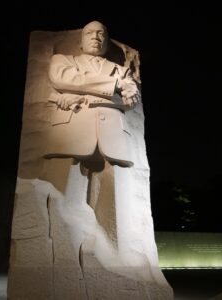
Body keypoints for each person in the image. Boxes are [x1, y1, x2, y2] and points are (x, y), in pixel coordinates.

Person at [44, 20, 141, 242]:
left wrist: (81, 92)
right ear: (80, 41)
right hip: (72, 130)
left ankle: (116, 254)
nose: (96, 37)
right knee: (64, 196)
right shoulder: (63, 60)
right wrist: (114, 86)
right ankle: (62, 248)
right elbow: (63, 78)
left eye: (101, 34)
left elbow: (131, 102)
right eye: (90, 33)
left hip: (113, 135)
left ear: (106, 42)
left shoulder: (122, 71)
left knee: (115, 204)